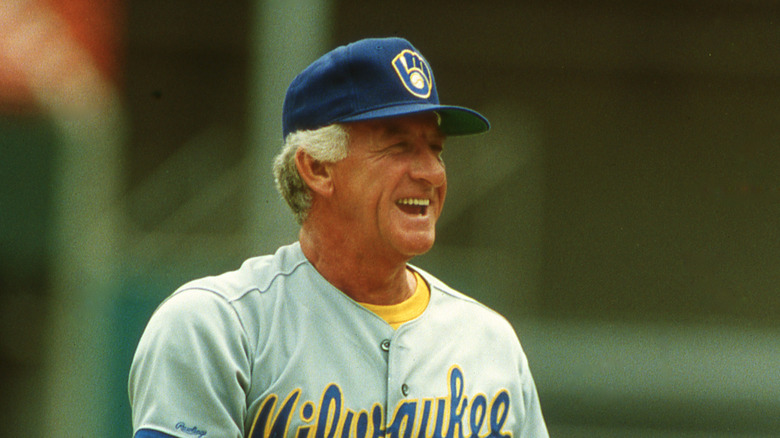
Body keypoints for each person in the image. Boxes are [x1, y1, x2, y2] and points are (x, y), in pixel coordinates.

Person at [128, 37, 548, 438]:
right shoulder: (218, 328)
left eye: (435, 149)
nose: (431, 173)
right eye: (399, 147)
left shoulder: (491, 344)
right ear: (317, 168)